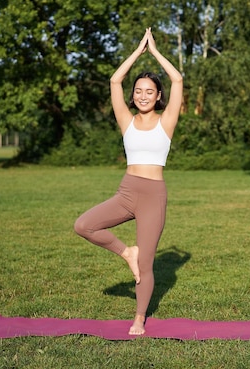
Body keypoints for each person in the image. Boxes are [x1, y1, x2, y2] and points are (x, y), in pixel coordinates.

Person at [74, 28, 183, 335]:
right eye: (138, 91)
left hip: (153, 197)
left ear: (158, 96)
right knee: (84, 225)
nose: (143, 96)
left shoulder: (167, 121)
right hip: (127, 191)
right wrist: (137, 51)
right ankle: (126, 253)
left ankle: (139, 317)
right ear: (132, 95)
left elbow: (177, 80)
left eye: (149, 91)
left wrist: (156, 51)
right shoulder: (126, 119)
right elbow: (114, 81)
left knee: (147, 265)